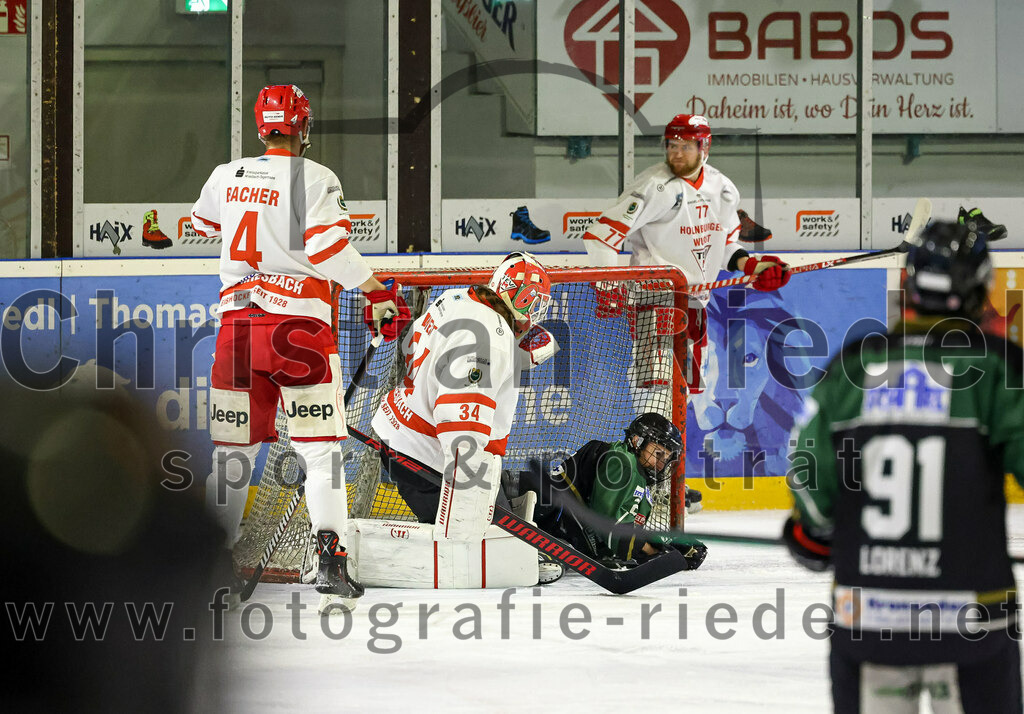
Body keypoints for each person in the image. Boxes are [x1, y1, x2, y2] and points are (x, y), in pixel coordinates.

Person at [783, 219, 1023, 713]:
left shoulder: (852, 366)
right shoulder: (997, 367)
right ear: (979, 290)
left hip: (868, 619)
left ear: (909, 286)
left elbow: (808, 469)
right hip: (972, 621)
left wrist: (813, 535)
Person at [190, 84, 410, 615]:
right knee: (319, 450)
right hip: (298, 331)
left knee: (233, 454)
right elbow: (327, 247)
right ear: (304, 128)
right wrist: (376, 289)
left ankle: (212, 564)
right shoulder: (317, 177)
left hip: (238, 330)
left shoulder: (226, 174)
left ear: (262, 128)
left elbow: (202, 224)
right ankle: (331, 562)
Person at [369, 251, 562, 587]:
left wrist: (511, 357)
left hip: (400, 431)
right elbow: (460, 426)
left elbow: (420, 348)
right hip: (424, 456)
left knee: (501, 519)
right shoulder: (491, 340)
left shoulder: (456, 297)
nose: (537, 311)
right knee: (486, 554)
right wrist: (467, 505)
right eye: (536, 302)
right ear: (522, 298)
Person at [583, 113, 791, 397]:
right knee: (653, 393)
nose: (677, 154)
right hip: (655, 302)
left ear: (704, 147)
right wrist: (607, 287)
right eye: (671, 146)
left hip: (696, 304)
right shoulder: (653, 187)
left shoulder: (724, 189)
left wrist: (751, 264)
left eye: (686, 146)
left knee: (687, 394)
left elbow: (724, 245)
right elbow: (599, 237)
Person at [519, 413, 708, 571]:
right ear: (637, 441)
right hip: (526, 507)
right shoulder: (622, 461)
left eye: (666, 457)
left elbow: (620, 527)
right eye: (657, 452)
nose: (661, 463)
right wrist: (659, 553)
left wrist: (663, 546)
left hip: (540, 514)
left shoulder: (633, 469)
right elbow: (609, 524)